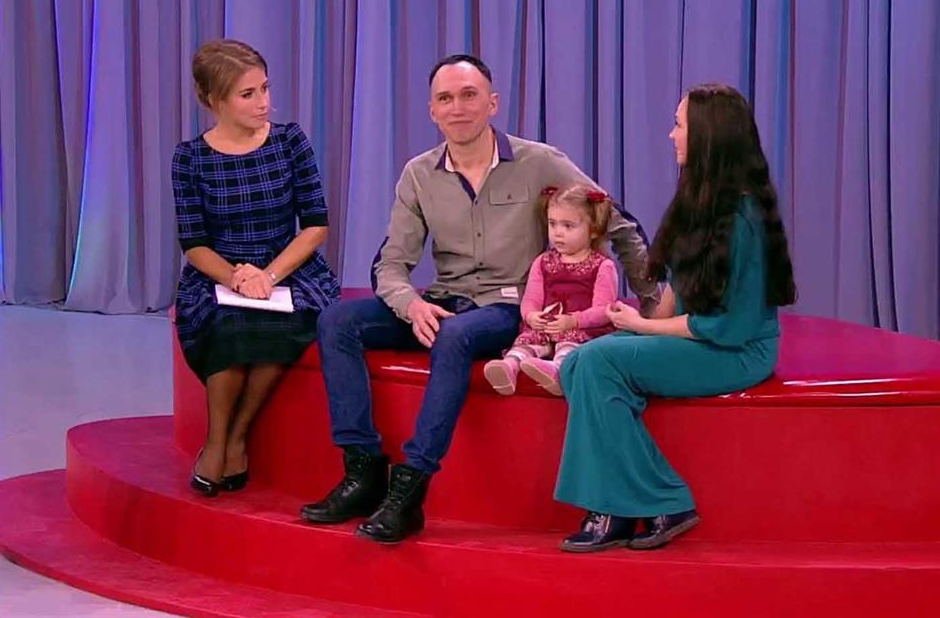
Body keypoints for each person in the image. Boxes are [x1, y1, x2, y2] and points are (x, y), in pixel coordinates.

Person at [300, 54, 659, 544]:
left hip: (511, 307)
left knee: (455, 335)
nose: (458, 108)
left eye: (469, 95)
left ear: (492, 103)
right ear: (432, 110)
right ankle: (362, 471)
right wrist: (411, 304)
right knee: (338, 321)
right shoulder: (418, 173)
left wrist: (650, 304)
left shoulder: (540, 162)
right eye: (445, 98)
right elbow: (390, 263)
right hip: (444, 299)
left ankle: (410, 490)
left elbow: (617, 222)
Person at [554, 83, 797, 552]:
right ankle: (626, 506)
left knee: (600, 362)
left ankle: (644, 502)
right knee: (580, 362)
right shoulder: (699, 197)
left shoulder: (743, 216)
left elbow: (728, 328)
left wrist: (642, 329)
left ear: (707, 135)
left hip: (734, 351)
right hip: (696, 338)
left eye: (679, 124)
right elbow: (679, 286)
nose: (671, 135)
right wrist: (640, 320)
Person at [171, 39, 340, 497]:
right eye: (248, 94)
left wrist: (268, 276)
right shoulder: (190, 158)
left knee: (279, 324)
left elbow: (316, 226)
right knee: (228, 325)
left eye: (265, 88)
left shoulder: (289, 141)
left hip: (288, 267)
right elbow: (194, 244)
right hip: (220, 272)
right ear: (215, 100)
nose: (263, 101)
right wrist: (236, 278)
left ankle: (236, 437)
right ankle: (216, 441)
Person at [483, 184, 618, 396]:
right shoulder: (543, 262)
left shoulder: (602, 266)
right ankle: (509, 366)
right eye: (552, 224)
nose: (558, 233)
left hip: (582, 329)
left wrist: (573, 321)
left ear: (593, 230)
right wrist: (531, 315)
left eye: (568, 226)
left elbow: (603, 310)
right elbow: (531, 299)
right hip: (548, 327)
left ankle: (558, 370)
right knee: (528, 339)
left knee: (570, 342)